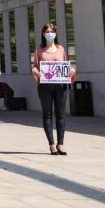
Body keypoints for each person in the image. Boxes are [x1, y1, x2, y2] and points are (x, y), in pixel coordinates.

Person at [31, 22, 76, 156]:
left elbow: (66, 66)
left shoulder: (61, 49)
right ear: (43, 34)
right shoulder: (39, 50)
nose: (49, 34)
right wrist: (35, 72)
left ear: (55, 34)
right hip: (45, 86)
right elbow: (34, 66)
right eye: (47, 32)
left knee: (61, 115)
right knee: (47, 114)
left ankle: (60, 143)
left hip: (60, 86)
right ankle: (51, 144)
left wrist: (72, 70)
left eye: (51, 31)